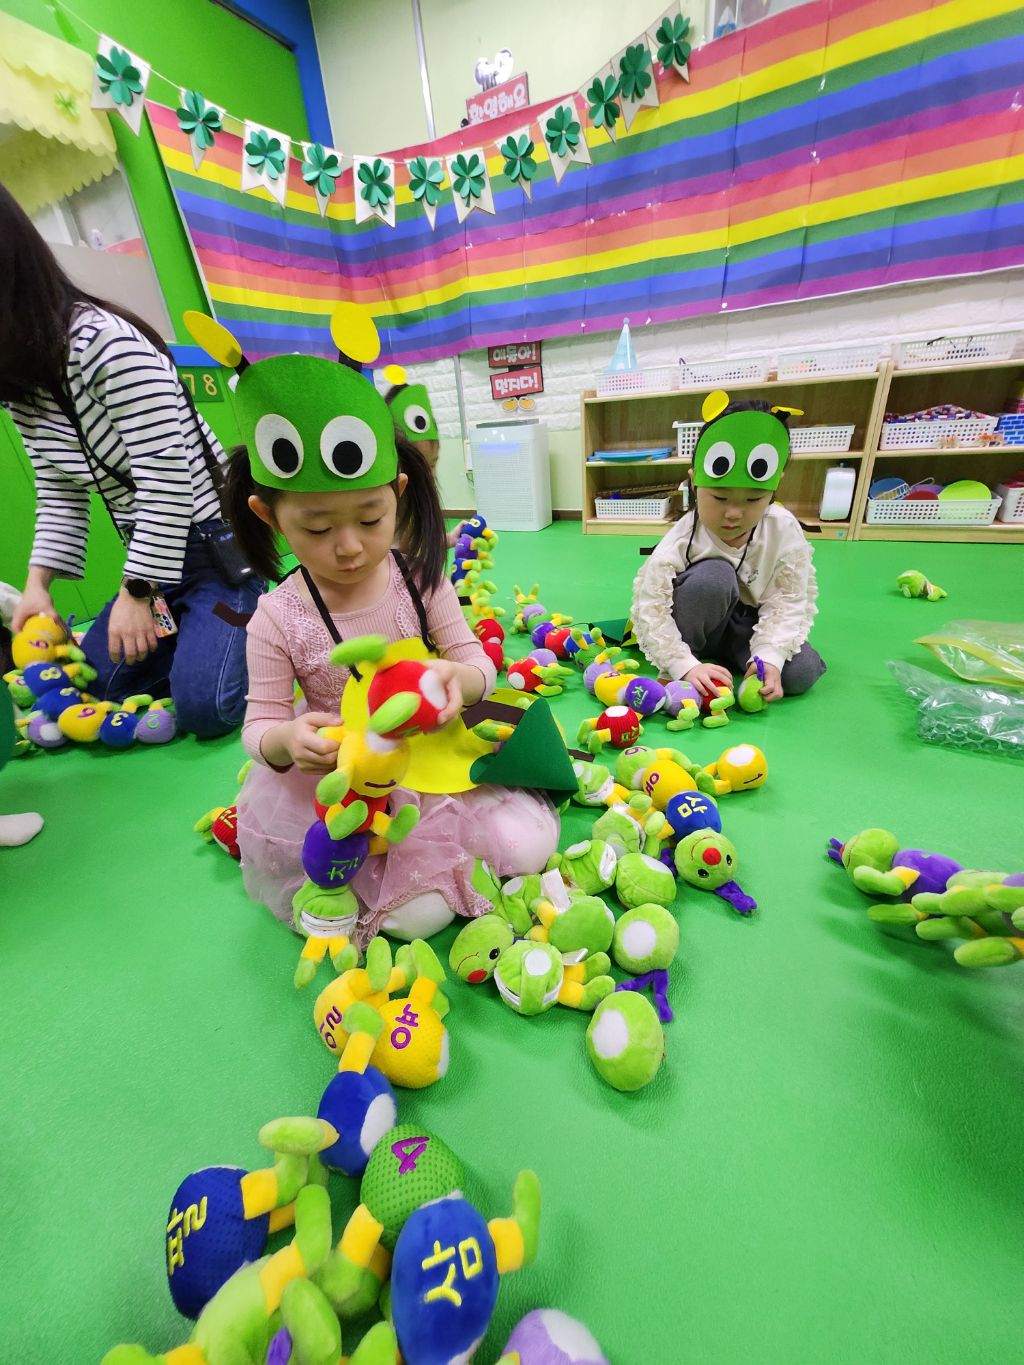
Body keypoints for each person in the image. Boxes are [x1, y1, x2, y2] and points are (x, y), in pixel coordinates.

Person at [217, 307, 558, 944]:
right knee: (417, 915)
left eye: (370, 519)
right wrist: (286, 740)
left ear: (398, 493)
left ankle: (452, 864)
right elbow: (258, 724)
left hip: (437, 756)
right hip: (351, 786)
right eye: (317, 528)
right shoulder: (277, 615)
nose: (349, 546)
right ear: (269, 516)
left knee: (529, 844)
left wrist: (460, 679)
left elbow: (478, 663)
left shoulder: (420, 578)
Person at [0, 183, 262, 738]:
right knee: (99, 688)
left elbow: (167, 480)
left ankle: (263, 618)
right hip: (151, 567)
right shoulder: (23, 383)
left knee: (207, 709)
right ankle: (198, 638)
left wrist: (136, 593)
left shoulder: (104, 344)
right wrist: (38, 584)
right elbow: (59, 490)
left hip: (215, 550)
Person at [632, 393, 825, 703]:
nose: (734, 513)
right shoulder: (684, 535)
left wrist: (770, 657)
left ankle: (735, 660)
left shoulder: (783, 528)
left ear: (774, 487)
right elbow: (651, 606)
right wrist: (681, 664)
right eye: (720, 498)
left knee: (800, 672)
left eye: (753, 499)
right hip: (698, 623)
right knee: (714, 577)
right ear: (694, 482)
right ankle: (694, 659)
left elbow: (788, 599)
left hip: (747, 627)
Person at [384, 372, 465, 549]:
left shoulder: (419, 501)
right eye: (418, 467)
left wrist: (450, 538)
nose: (429, 474)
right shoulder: (383, 507)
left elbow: (418, 543)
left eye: (433, 463)